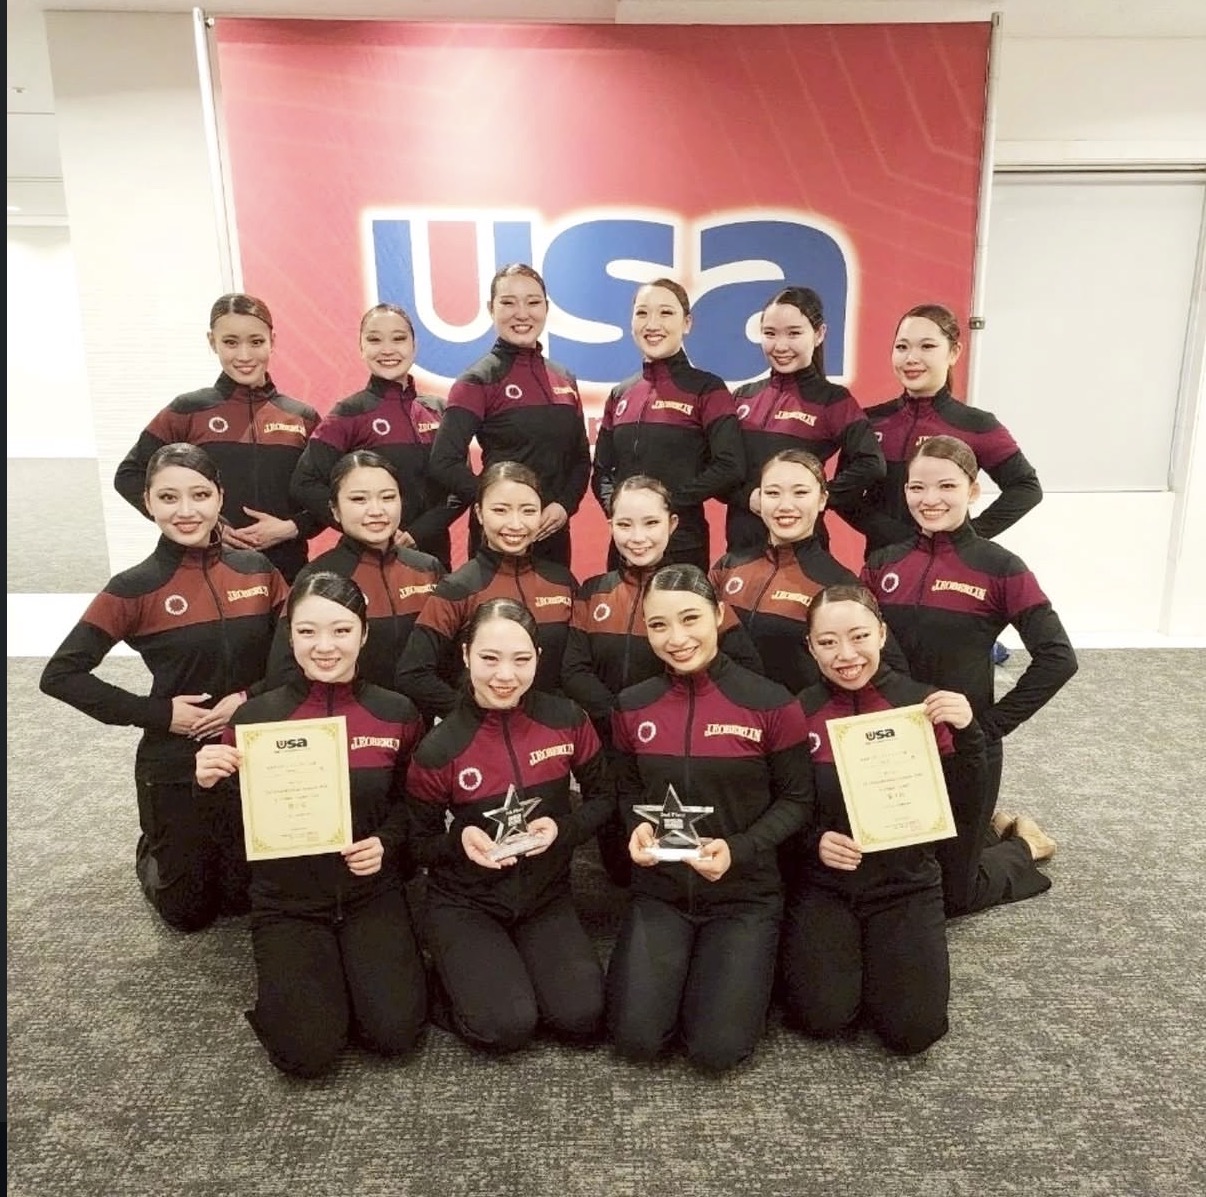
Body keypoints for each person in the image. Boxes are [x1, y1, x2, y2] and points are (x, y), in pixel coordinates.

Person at [40, 443, 287, 932]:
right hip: (177, 754)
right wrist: (160, 713)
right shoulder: (133, 587)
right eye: (169, 498)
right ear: (148, 502)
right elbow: (61, 675)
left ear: (220, 497)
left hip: (251, 747)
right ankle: (153, 845)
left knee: (242, 901)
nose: (186, 510)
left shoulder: (258, 570)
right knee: (188, 913)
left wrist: (246, 698)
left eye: (200, 494)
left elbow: (294, 656)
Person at [195, 572, 426, 1077]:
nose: (325, 646)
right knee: (306, 1055)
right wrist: (208, 785)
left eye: (341, 631)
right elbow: (231, 836)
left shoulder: (397, 713)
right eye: (307, 631)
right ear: (290, 635)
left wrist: (385, 843)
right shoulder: (254, 720)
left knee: (394, 1035)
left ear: (364, 634)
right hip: (287, 901)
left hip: (369, 892)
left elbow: (413, 807)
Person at [606, 565, 814, 1071]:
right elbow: (629, 789)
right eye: (659, 625)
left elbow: (796, 800)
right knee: (637, 1041)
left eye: (690, 618)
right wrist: (636, 825)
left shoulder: (771, 703)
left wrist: (738, 850)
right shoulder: (631, 706)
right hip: (661, 894)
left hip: (744, 897)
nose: (676, 639)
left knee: (716, 1051)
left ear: (719, 615)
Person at [861, 435, 1077, 916]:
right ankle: (988, 829)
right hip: (892, 745)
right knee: (887, 881)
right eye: (917, 487)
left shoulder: (1000, 568)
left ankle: (1023, 844)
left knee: (953, 897)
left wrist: (989, 727)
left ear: (973, 491)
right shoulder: (882, 563)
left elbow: (1058, 658)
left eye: (946, 486)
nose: (930, 499)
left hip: (964, 749)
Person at [780, 584, 988, 1055]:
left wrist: (969, 731)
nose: (846, 655)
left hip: (906, 883)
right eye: (828, 642)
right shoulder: (797, 713)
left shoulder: (925, 706)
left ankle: (1016, 854)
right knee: (821, 1018)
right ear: (810, 647)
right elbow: (781, 805)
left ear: (882, 634)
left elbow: (967, 804)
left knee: (913, 1032)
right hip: (826, 884)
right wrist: (814, 841)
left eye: (859, 636)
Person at [405, 598, 614, 1053]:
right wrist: (459, 841)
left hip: (545, 896)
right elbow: (418, 844)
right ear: (465, 655)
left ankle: (510, 968)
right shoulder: (439, 747)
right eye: (489, 658)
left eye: (521, 660)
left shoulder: (568, 720)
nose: (505, 675)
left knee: (582, 1017)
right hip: (466, 901)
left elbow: (604, 799)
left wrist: (563, 830)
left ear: (538, 657)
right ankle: (444, 981)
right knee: (507, 1027)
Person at [561, 475, 763, 885]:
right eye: (625, 524)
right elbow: (573, 671)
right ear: (611, 525)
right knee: (620, 865)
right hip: (611, 748)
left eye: (651, 523)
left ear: (672, 524)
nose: (638, 537)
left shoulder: (698, 591)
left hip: (678, 749)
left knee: (683, 861)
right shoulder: (593, 592)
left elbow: (746, 669)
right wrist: (622, 717)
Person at [114, 293, 320, 582]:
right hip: (205, 574)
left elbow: (332, 495)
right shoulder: (187, 410)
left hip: (288, 574)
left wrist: (291, 528)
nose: (244, 356)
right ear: (212, 342)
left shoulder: (302, 417)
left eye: (256, 342)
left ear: (272, 340)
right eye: (230, 342)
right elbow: (129, 476)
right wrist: (207, 525)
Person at [428, 263, 590, 567]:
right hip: (499, 538)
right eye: (508, 303)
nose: (522, 313)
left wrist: (564, 506)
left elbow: (580, 459)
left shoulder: (564, 378)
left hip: (551, 534)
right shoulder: (477, 380)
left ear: (546, 307)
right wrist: (500, 506)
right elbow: (444, 462)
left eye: (532, 302)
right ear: (491, 309)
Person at [848, 303, 1042, 555]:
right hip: (883, 566)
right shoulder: (867, 421)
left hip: (951, 567)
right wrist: (899, 537)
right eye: (902, 347)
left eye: (927, 346)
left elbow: (1026, 488)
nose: (911, 358)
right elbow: (846, 496)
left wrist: (969, 536)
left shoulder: (976, 424)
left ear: (954, 352)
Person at [711, 450, 908, 694]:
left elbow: (893, 673)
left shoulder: (839, 585)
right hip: (728, 714)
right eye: (772, 493)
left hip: (799, 715)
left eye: (800, 493)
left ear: (822, 499)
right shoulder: (727, 567)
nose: (785, 505)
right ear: (759, 499)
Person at [396, 461, 576, 723]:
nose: (515, 524)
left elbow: (577, 669)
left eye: (528, 511)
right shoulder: (458, 588)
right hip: (480, 737)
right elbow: (413, 673)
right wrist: (471, 717)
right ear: (479, 514)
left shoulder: (562, 582)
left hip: (549, 734)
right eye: (500, 510)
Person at [290, 303, 462, 568]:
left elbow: (460, 489)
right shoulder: (348, 413)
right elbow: (304, 483)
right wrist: (365, 528)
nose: (387, 349)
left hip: (434, 560)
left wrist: (416, 534)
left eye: (398, 338)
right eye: (374, 340)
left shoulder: (439, 411)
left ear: (414, 346)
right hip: (366, 562)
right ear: (361, 348)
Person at [591, 279, 744, 571]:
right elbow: (602, 471)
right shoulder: (621, 393)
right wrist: (621, 510)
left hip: (683, 542)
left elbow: (729, 465)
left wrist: (664, 506)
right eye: (642, 313)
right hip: (625, 545)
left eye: (665, 312)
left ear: (687, 323)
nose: (653, 324)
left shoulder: (707, 389)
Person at [265, 450, 444, 691]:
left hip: (426, 711)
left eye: (388, 497)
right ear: (335, 510)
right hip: (352, 712)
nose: (376, 510)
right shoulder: (316, 578)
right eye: (359, 499)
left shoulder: (429, 569)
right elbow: (283, 673)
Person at [726, 286, 883, 553]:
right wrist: (747, 496)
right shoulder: (743, 396)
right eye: (770, 333)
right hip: (741, 550)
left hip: (804, 553)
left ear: (819, 334)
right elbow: (718, 467)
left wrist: (815, 498)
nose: (781, 346)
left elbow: (871, 464)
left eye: (794, 333)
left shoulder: (833, 400)